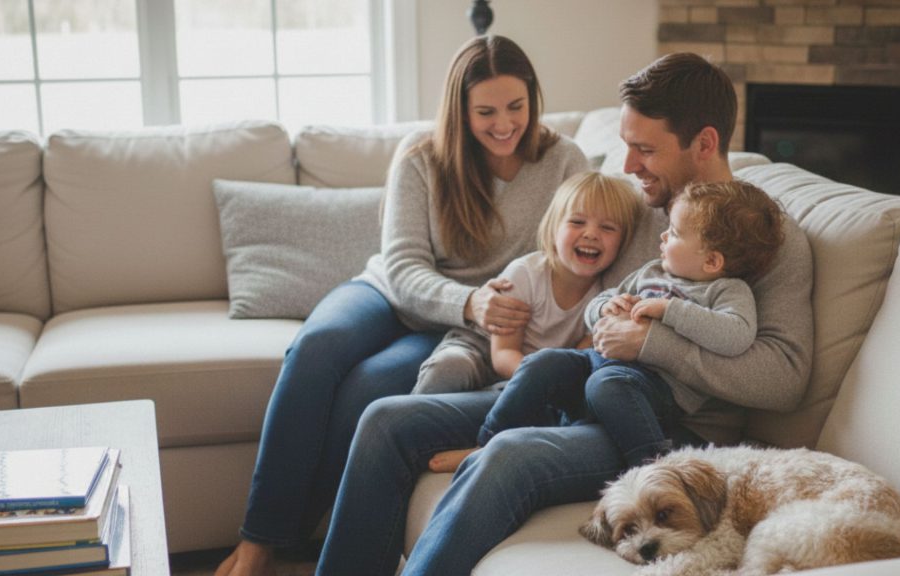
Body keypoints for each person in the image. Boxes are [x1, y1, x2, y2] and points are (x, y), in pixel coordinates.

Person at [315, 52, 814, 576]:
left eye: (645, 149)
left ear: (705, 144)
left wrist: (649, 344)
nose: (626, 166)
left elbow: (784, 379)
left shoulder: (763, 238)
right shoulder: (633, 211)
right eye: (626, 145)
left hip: (667, 429)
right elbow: (567, 282)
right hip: (582, 388)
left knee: (508, 455)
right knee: (386, 419)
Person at [214, 35, 589, 576]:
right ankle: (256, 541)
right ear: (460, 111)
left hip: (463, 327)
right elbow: (405, 266)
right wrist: (470, 301)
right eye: (485, 111)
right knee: (315, 349)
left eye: (516, 107)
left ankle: (297, 539)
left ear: (534, 99)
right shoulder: (422, 156)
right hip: (393, 292)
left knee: (368, 391)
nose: (503, 124)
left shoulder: (563, 160)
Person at [431, 179, 785, 472]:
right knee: (545, 362)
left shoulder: (728, 290)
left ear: (711, 260)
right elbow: (600, 304)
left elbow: (736, 335)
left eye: (674, 233)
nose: (663, 238)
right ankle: (486, 442)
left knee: (607, 385)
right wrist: (605, 307)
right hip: (600, 363)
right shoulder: (652, 272)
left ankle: (653, 472)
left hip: (656, 390)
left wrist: (669, 310)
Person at [412, 172, 642, 396]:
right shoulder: (525, 274)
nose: (591, 234)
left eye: (608, 228)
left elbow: (578, 356)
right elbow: (503, 354)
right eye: (577, 222)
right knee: (450, 366)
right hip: (482, 350)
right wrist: (540, 378)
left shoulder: (604, 298)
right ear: (553, 230)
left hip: (526, 378)